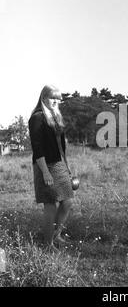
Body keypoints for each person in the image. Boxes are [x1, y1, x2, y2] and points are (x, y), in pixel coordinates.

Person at [29, 85, 73, 250]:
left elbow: (61, 147)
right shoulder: (37, 117)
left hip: (59, 164)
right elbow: (37, 146)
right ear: (43, 98)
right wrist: (45, 172)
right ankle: (48, 244)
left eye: (58, 99)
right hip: (44, 165)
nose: (55, 101)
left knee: (67, 201)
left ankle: (57, 234)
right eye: (52, 98)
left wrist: (67, 166)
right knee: (50, 204)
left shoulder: (56, 117)